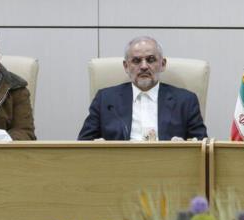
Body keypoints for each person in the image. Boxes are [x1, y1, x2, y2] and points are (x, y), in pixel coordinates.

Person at [78, 36, 207, 141]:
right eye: (136, 61)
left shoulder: (186, 101)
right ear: (126, 66)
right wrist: (97, 146)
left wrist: (186, 147)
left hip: (168, 167)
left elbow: (202, 145)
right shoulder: (105, 99)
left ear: (162, 64)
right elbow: (83, 144)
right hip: (118, 168)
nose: (144, 66)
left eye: (151, 60)